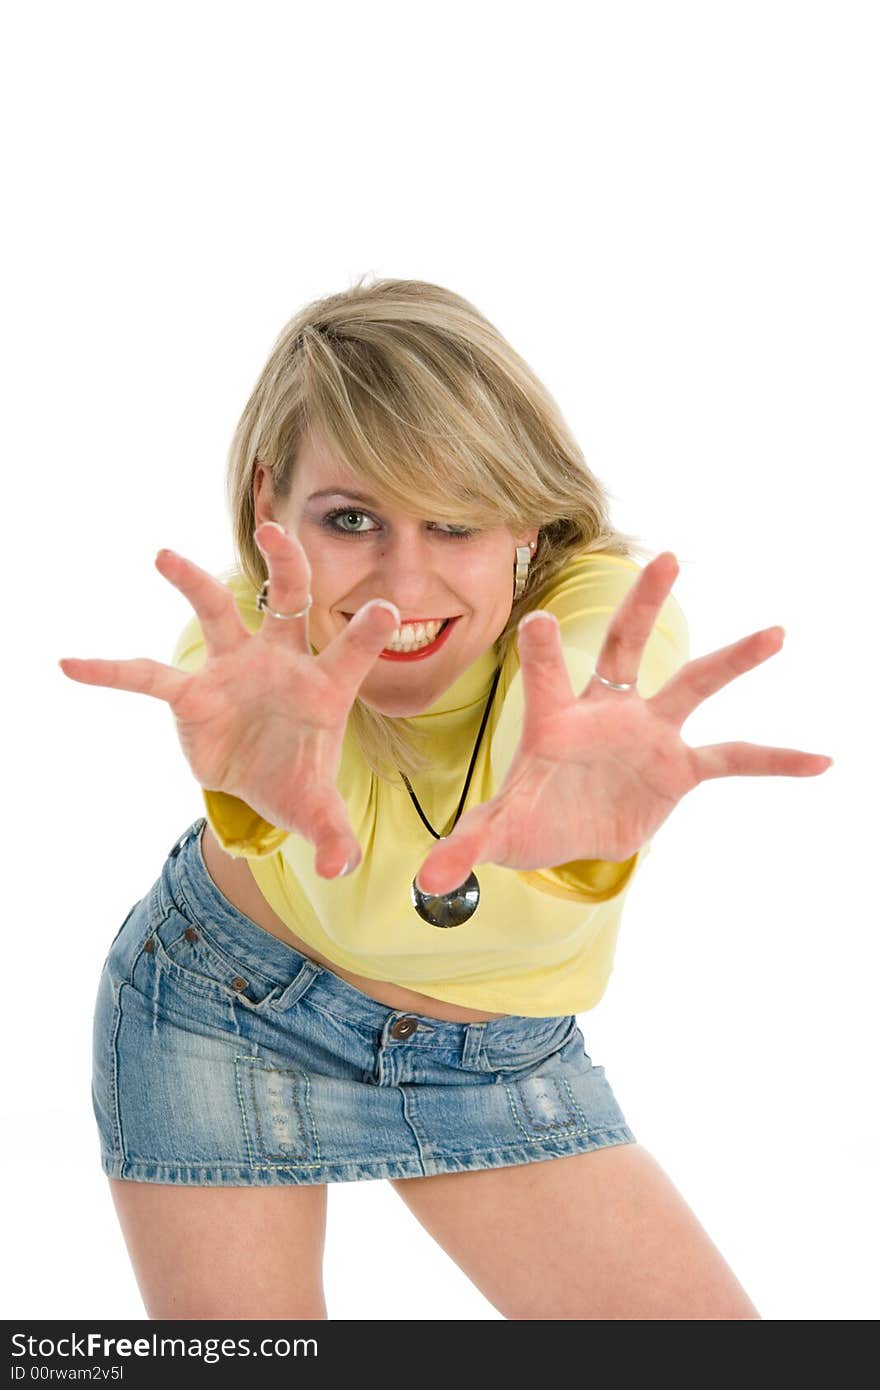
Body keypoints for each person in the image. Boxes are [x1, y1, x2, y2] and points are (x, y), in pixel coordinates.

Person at [60, 277, 831, 1320]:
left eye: (457, 523)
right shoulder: (245, 651)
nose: (403, 586)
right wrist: (263, 788)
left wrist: (568, 833)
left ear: (528, 521)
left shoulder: (599, 618)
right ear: (266, 503)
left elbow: (607, 677)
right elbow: (289, 795)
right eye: (350, 518)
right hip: (223, 1011)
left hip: (494, 1058)